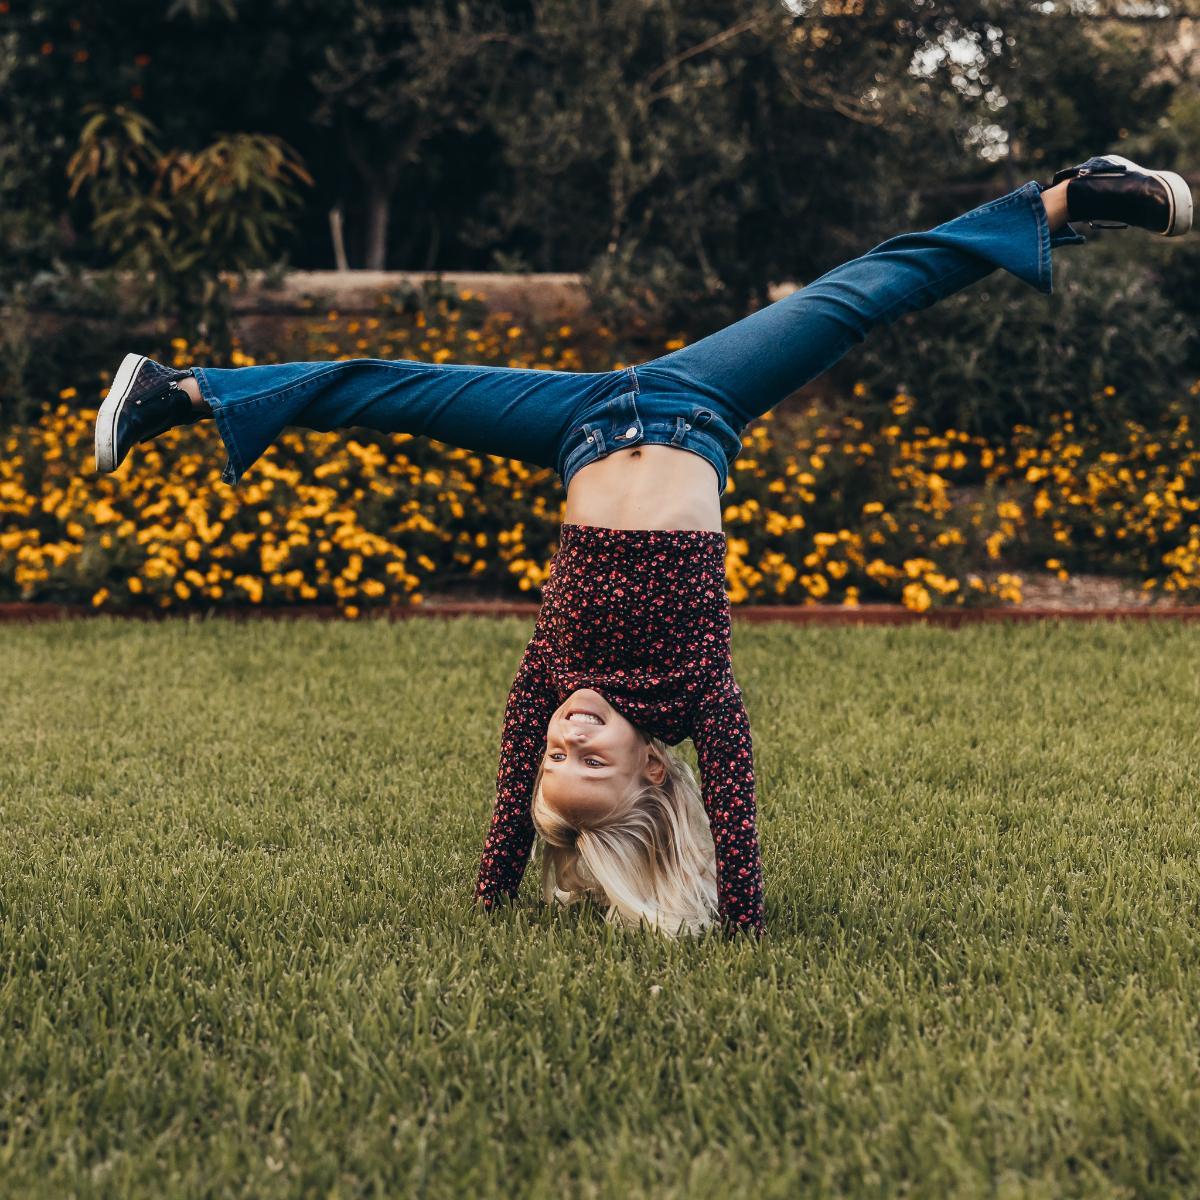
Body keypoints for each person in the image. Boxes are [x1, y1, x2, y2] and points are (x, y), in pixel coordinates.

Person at [93, 156, 1192, 937]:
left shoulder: (548, 681)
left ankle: (179, 393)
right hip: (697, 405)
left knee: (387, 389)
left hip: (575, 423)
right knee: (865, 292)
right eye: (587, 763)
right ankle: (1067, 195)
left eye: (553, 761)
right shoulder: (694, 693)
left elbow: (506, 816)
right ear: (650, 769)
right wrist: (742, 918)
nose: (565, 741)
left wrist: (496, 893)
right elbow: (743, 819)